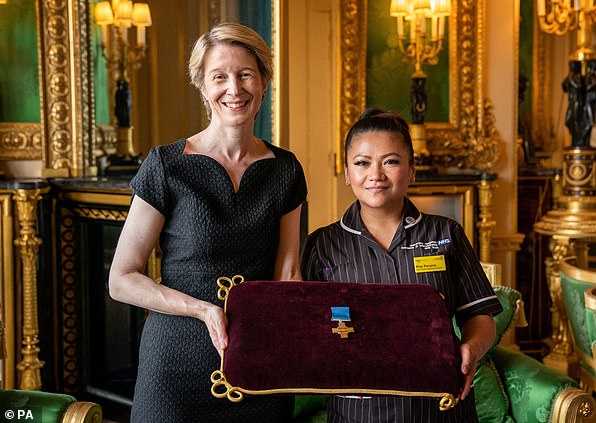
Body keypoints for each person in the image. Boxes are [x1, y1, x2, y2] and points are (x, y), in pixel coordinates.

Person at [108, 23, 307, 422]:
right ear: (202, 86)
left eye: (246, 74)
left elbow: (288, 272)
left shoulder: (286, 169)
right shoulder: (165, 165)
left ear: (264, 82)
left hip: (259, 361)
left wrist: (295, 343)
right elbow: (121, 279)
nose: (234, 89)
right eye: (219, 77)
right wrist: (202, 310)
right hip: (175, 364)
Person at [301, 109, 502, 423]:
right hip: (358, 412)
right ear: (346, 171)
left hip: (440, 406)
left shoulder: (446, 234)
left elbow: (479, 314)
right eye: (362, 162)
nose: (376, 174)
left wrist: (471, 349)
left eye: (391, 161)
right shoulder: (322, 245)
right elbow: (304, 329)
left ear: (412, 170)